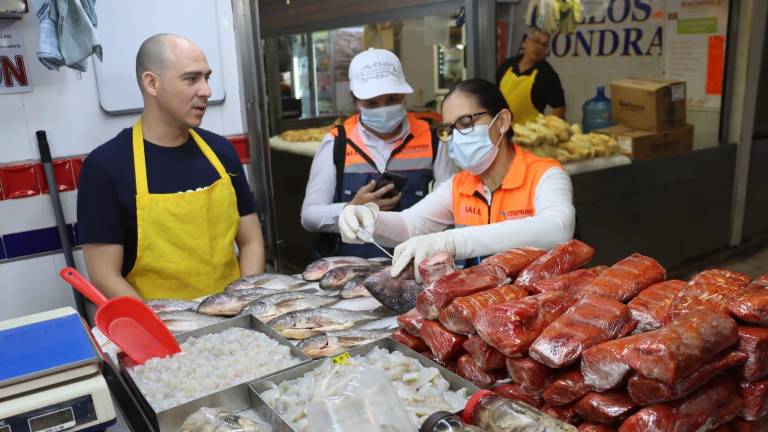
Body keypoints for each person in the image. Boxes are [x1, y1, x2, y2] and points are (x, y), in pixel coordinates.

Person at [77, 34, 265, 300]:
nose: (206, 91)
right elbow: (104, 275)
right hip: (157, 329)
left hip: (233, 319)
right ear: (152, 83)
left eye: (207, 78)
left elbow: (251, 241)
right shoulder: (105, 167)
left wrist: (244, 302)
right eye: (191, 79)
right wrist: (160, 331)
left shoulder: (221, 153)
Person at [338, 78, 575, 280]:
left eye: (466, 123)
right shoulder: (460, 184)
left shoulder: (545, 174)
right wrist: (369, 219)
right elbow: (411, 225)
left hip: (540, 308)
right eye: (450, 129)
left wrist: (452, 241)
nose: (456, 137)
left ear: (501, 122)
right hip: (482, 308)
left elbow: (557, 227)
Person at [301, 47, 458, 258]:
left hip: (412, 263)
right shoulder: (337, 143)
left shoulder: (434, 140)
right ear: (355, 99)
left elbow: (450, 209)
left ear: (404, 95)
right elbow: (309, 216)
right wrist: (351, 208)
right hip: (348, 266)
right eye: (372, 103)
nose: (383, 109)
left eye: (392, 100)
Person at [497, 27, 565, 124]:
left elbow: (559, 108)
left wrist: (546, 130)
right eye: (536, 42)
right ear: (525, 42)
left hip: (529, 135)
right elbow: (494, 97)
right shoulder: (507, 65)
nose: (539, 47)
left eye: (544, 45)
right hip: (503, 130)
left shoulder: (548, 75)